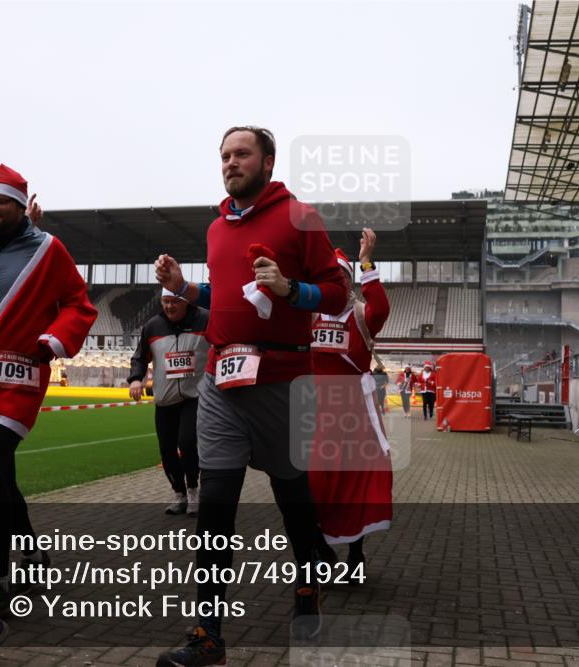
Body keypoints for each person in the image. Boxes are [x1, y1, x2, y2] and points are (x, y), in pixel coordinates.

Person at [154, 126, 349, 666]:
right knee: (215, 508)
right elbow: (224, 295)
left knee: (293, 500)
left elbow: (338, 294)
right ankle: (208, 635)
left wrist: (291, 289)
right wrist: (182, 287)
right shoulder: (217, 228)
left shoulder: (300, 217)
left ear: (268, 161)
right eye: (224, 155)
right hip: (222, 378)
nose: (230, 163)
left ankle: (307, 587)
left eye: (241, 154)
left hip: (282, 379)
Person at [0, 165, 96, 649]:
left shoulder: (48, 249)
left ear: (20, 206)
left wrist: (53, 340)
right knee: (0, 476)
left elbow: (79, 303)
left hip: (18, 375)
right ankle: (34, 554)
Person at [309, 230, 392, 582]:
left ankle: (355, 554)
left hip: (356, 413)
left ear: (349, 281)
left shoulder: (360, 315)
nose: (337, 282)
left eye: (342, 277)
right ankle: (322, 551)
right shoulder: (309, 316)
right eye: (331, 277)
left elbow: (381, 308)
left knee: (356, 484)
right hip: (315, 412)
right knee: (313, 484)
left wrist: (366, 262)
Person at [128, 287, 209, 516]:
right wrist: (136, 379)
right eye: (165, 302)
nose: (169, 307)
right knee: (167, 451)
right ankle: (179, 493)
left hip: (195, 396)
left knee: (187, 442)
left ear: (186, 302)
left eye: (174, 302)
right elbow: (140, 357)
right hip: (165, 399)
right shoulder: (153, 326)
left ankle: (193, 491)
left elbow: (221, 345)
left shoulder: (205, 319)